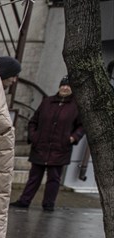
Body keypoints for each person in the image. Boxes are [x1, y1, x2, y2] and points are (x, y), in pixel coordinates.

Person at [11, 76, 84, 212]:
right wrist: (34, 136)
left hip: (60, 148)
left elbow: (81, 126)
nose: (65, 88)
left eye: (68, 86)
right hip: (41, 146)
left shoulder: (76, 106)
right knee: (34, 177)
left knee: (54, 178)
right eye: (63, 85)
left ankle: (49, 204)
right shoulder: (47, 102)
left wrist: (73, 138)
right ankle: (24, 201)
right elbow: (33, 121)